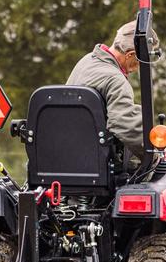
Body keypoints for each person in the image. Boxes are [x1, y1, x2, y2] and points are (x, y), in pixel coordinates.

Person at [66, 20, 159, 159]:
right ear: (130, 55)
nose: (139, 65)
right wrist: (155, 156)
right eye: (140, 60)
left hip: (68, 150)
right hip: (94, 160)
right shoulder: (115, 80)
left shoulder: (87, 61)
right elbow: (125, 126)